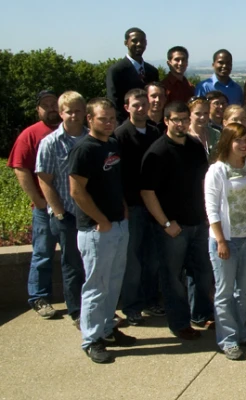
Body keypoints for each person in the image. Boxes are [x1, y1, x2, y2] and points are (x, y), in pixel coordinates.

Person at [140, 101, 213, 340]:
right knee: (172, 278)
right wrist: (165, 223)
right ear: (166, 121)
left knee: (201, 273)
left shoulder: (194, 145)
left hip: (198, 223)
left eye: (184, 119)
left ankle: (201, 315)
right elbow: (147, 192)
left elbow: (204, 183)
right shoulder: (157, 152)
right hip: (173, 228)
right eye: (176, 120)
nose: (181, 124)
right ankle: (179, 323)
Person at [69, 98, 134, 363]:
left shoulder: (112, 144)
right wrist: (101, 219)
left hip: (119, 223)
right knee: (96, 286)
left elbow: (114, 182)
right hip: (96, 230)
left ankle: (107, 329)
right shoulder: (84, 149)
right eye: (102, 119)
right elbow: (76, 191)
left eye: (111, 119)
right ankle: (91, 338)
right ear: (89, 119)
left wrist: (122, 208)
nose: (108, 123)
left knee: (114, 282)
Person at [203, 123, 246, 360]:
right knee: (225, 292)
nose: (244, 145)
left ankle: (243, 332)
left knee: (243, 291)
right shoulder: (217, 171)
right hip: (226, 241)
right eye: (238, 140)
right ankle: (227, 339)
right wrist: (220, 240)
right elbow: (211, 210)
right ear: (227, 143)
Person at [36, 91, 88, 327]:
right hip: (66, 214)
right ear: (61, 113)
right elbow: (44, 180)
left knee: (93, 265)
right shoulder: (50, 143)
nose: (74, 116)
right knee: (72, 265)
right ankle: (76, 311)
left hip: (91, 214)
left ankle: (93, 307)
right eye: (69, 111)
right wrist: (58, 212)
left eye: (78, 111)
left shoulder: (91, 138)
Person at [7, 90, 60, 318]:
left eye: (54, 104)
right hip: (44, 208)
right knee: (43, 254)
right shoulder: (30, 135)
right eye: (45, 105)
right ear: (38, 110)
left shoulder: (73, 130)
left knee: (76, 256)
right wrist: (38, 201)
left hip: (73, 206)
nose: (50, 108)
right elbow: (20, 169)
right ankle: (39, 297)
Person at [114, 89, 163, 325]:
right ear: (127, 108)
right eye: (136, 105)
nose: (142, 108)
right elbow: (117, 176)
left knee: (153, 258)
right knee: (132, 259)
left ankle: (151, 300)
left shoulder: (155, 133)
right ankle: (132, 306)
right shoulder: (120, 136)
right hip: (132, 206)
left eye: (145, 104)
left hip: (155, 206)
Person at [106, 27, 159, 122]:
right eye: (134, 41)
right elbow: (113, 102)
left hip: (150, 125)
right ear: (126, 43)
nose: (139, 44)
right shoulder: (116, 70)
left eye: (142, 41)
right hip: (126, 125)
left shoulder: (152, 71)